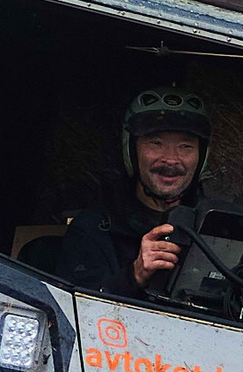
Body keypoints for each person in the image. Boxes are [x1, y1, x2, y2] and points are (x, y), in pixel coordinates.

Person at [52, 88, 211, 297]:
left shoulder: (215, 232)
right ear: (131, 150)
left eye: (185, 146)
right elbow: (71, 309)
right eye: (156, 143)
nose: (171, 159)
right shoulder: (93, 228)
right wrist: (133, 275)